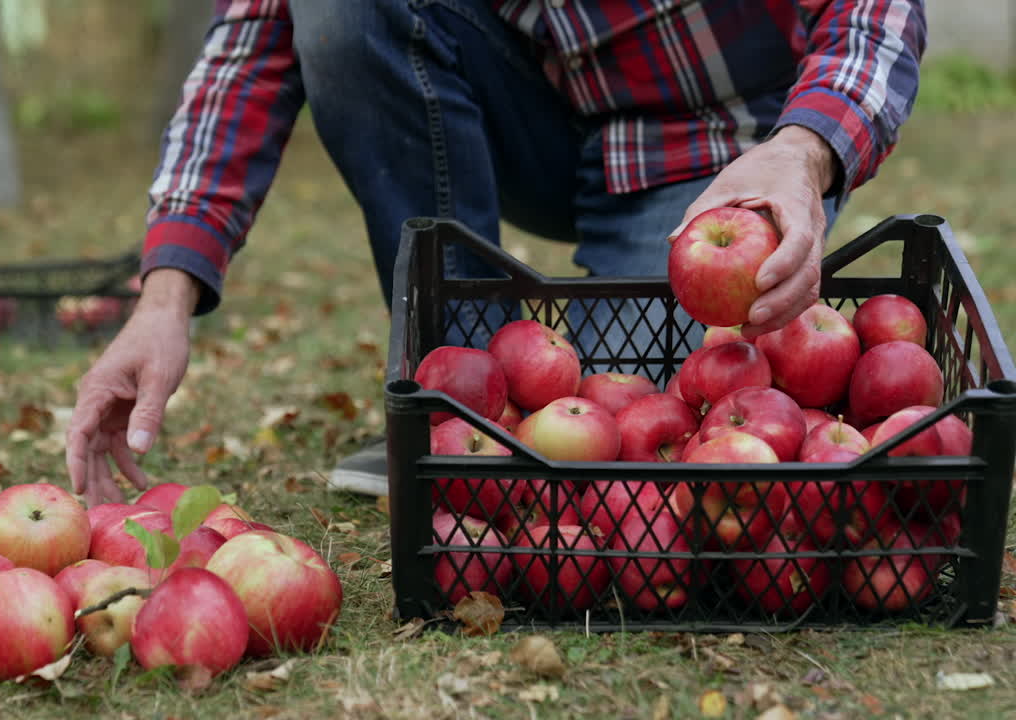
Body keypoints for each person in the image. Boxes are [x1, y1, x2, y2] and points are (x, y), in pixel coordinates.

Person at [65, 0, 926, 506]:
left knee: (666, 439)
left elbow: (877, 9)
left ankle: (498, 414)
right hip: (544, 108)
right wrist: (164, 298)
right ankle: (466, 399)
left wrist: (802, 150)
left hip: (718, 142)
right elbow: (250, 44)